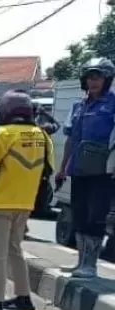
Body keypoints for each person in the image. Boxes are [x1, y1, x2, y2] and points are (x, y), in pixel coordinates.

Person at [0, 90, 52, 310]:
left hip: (2, 201)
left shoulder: (3, 134)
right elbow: (47, 170)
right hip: (25, 203)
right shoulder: (42, 136)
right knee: (16, 249)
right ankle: (23, 297)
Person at [56, 57, 115, 279]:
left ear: (107, 79)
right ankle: (81, 261)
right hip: (79, 169)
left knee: (95, 217)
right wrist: (63, 168)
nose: (93, 81)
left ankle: (90, 265)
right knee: (79, 216)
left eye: (98, 77)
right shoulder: (78, 106)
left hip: (103, 170)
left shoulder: (112, 103)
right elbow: (71, 139)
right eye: (90, 77)